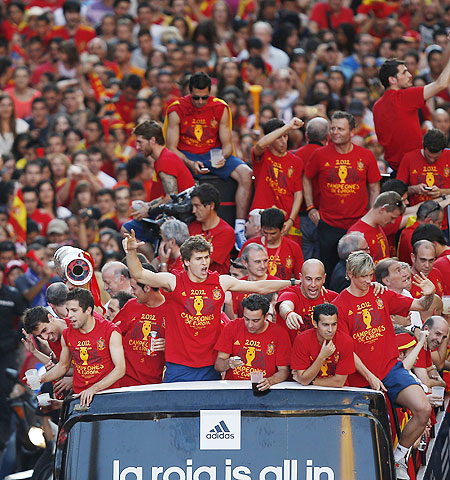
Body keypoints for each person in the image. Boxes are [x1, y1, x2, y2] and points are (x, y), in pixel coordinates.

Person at [124, 230, 300, 383]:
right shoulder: (173, 280)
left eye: (206, 257)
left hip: (210, 365)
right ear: (186, 262)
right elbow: (139, 273)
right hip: (179, 366)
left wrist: (294, 282)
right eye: (199, 258)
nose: (204, 263)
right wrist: (131, 251)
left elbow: (260, 287)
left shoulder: (220, 281)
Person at [333, 251, 435, 479]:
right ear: (350, 274)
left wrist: (430, 294)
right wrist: (369, 376)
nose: (369, 281)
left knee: (424, 409)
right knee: (368, 435)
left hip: (391, 369)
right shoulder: (339, 305)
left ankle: (399, 458)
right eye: (362, 277)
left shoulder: (381, 294)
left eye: (370, 275)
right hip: (360, 379)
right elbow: (348, 350)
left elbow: (418, 305)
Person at [165, 72, 253, 246]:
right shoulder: (176, 109)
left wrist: (223, 157)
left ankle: (240, 228)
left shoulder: (220, 107)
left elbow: (228, 145)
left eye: (204, 97)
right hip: (187, 156)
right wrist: (189, 163)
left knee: (246, 174)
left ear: (210, 92)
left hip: (213, 154)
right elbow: (171, 148)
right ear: (189, 92)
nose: (199, 102)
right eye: (196, 98)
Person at [304, 111, 381, 279]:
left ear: (352, 132)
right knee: (329, 271)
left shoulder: (366, 156)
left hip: (357, 225)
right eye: (332, 128)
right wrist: (310, 207)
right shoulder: (319, 154)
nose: (335, 132)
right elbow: (306, 177)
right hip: (328, 224)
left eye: (340, 128)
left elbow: (374, 186)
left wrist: (371, 214)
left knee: (360, 271)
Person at [33, 288, 125, 407]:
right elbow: (63, 366)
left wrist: (93, 389)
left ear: (88, 310)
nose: (69, 315)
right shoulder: (67, 334)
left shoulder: (110, 331)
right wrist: (40, 379)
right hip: (79, 399)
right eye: (68, 310)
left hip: (108, 397)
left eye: (74, 310)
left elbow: (120, 369)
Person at [373, 57, 450, 172]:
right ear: (392, 80)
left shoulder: (376, 106)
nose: (410, 75)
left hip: (395, 169)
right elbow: (441, 84)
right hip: (416, 168)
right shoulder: (405, 97)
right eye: (404, 72)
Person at [214, 294, 291, 390]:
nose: (250, 324)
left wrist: (270, 381)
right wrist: (228, 363)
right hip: (234, 389)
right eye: (246, 319)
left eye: (255, 320)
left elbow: (284, 371)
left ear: (266, 316)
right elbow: (218, 365)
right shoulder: (232, 327)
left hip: (263, 390)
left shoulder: (279, 333)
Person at [251, 117, 304, 244]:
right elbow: (260, 145)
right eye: (278, 137)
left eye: (285, 136)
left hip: (288, 223)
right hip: (263, 221)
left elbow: (298, 193)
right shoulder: (263, 156)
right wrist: (287, 126)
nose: (283, 141)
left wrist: (291, 220)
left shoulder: (296, 161)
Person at [113, 264, 166, 386]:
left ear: (147, 288)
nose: (131, 292)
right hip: (125, 383)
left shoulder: (172, 308)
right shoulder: (131, 305)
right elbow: (111, 335)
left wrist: (170, 344)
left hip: (156, 385)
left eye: (134, 288)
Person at [291, 303, 355, 387]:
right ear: (315, 324)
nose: (330, 330)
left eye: (334, 324)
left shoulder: (346, 341)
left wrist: (311, 381)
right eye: (325, 325)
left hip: (337, 393)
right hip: (309, 393)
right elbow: (303, 379)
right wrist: (322, 356)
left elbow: (339, 382)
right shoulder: (302, 340)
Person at [276, 259, 338, 343]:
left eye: (318, 279)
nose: (313, 284)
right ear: (301, 278)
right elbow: (284, 305)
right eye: (308, 279)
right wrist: (289, 313)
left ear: (324, 279)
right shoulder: (291, 293)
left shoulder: (332, 297)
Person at [133, 120, 195, 201]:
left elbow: (171, 198)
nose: (137, 147)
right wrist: (148, 206)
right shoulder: (161, 158)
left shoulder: (165, 160)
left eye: (140, 142)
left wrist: (149, 210)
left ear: (152, 140)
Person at [295, 117, 330, 260]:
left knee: (305, 263)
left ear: (306, 135)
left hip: (301, 216)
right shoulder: (330, 156)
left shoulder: (295, 155)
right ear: (327, 137)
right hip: (325, 218)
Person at [22, 306, 73, 398]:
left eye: (44, 330)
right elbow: (65, 368)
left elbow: (64, 368)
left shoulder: (75, 326)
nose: (45, 338)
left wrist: (74, 380)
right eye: (40, 336)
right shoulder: (53, 338)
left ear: (50, 317)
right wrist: (34, 351)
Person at [239, 208, 303, 280]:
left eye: (273, 233)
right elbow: (239, 272)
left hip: (283, 290)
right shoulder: (250, 245)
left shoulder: (294, 247)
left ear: (283, 228)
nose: (269, 238)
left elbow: (300, 279)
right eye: (265, 232)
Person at [188, 183, 235, 275]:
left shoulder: (226, 232)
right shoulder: (193, 226)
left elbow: (203, 260)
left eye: (197, 206)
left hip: (213, 283)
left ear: (211, 206)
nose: (193, 211)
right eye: (193, 206)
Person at [347, 191, 405, 263]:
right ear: (382, 210)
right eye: (392, 218)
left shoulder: (378, 226)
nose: (393, 222)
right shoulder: (356, 234)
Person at [397, 129, 450, 207]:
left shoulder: (448, 156)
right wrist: (414, 189)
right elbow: (397, 190)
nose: (432, 160)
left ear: (443, 150)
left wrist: (442, 192)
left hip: (445, 213)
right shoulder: (409, 158)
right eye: (428, 156)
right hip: (415, 213)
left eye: (436, 158)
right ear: (424, 147)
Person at [226, 243, 279, 319]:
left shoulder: (277, 284)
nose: (263, 266)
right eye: (257, 262)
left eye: (265, 261)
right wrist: (228, 304)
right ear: (245, 263)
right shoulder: (237, 286)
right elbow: (234, 321)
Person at [375, 258, 423, 328]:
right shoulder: (380, 302)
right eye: (398, 271)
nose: (405, 274)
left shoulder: (406, 293)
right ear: (386, 280)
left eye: (402, 269)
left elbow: (418, 325)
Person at [412, 316, 449, 390]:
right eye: (437, 334)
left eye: (444, 337)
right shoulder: (418, 344)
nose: (440, 341)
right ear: (426, 329)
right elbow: (425, 382)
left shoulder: (427, 346)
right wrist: (442, 383)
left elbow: (432, 372)